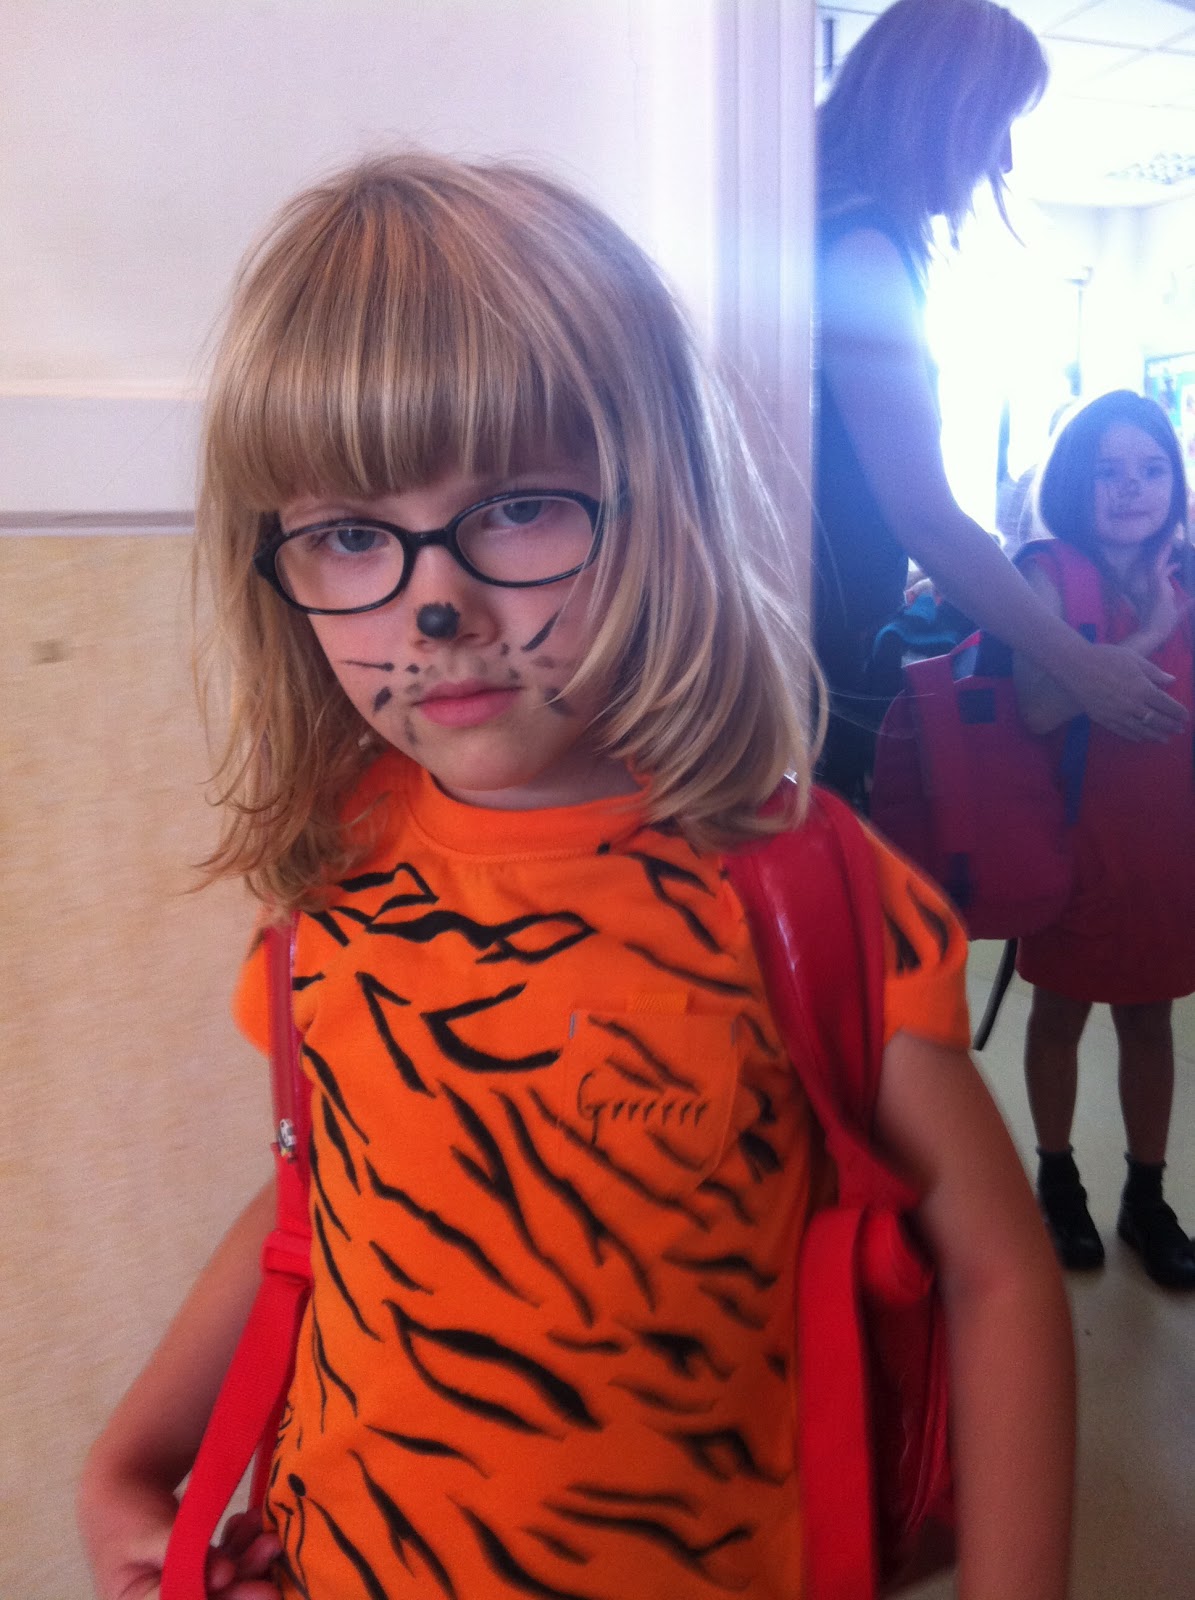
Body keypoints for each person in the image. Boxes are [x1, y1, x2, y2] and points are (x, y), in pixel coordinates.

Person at [77, 152, 1074, 1600]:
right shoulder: (333, 887)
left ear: (655, 502)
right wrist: (130, 1457)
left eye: (517, 506)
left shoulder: (803, 898)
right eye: (350, 534)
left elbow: (996, 1274)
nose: (438, 604)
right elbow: (325, 1184)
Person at [814, 0, 1187, 806]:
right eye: (999, 123)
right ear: (938, 113)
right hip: (811, 654)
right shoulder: (862, 248)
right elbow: (920, 513)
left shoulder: (824, 221)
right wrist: (1078, 662)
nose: (1005, 157)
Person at [1013, 390, 1195, 1290]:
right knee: (1060, 1012)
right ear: (1072, 483)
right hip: (1076, 837)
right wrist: (1154, 627)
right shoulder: (1049, 574)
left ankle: (1145, 1196)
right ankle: (1056, 1179)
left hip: (1167, 841)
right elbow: (1041, 707)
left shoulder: (1187, 572)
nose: (1132, 489)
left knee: (1150, 1018)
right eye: (1108, 471)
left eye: (1152, 469)